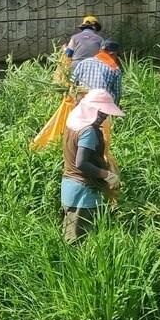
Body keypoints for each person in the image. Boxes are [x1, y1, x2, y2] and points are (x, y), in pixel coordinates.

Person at [60, 88, 123, 244]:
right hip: (83, 192)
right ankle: (74, 268)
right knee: (77, 241)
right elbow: (81, 163)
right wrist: (106, 175)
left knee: (71, 233)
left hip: (69, 187)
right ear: (92, 110)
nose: (105, 117)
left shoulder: (73, 123)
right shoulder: (88, 131)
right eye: (102, 113)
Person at [71, 38, 123, 104]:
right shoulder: (115, 69)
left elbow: (71, 83)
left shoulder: (83, 63)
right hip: (103, 108)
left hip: (82, 104)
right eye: (116, 56)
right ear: (112, 54)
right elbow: (117, 95)